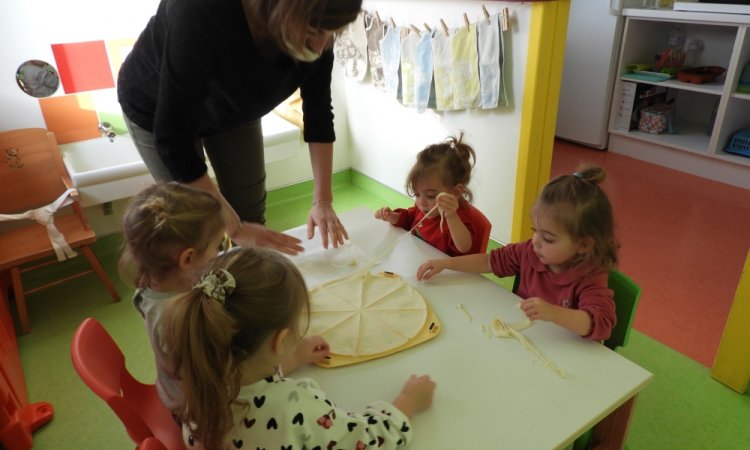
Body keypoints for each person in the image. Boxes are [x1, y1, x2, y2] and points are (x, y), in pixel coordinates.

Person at [117, 0, 361, 255]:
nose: (320, 46)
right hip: (156, 107)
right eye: (313, 32)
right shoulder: (198, 10)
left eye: (331, 33)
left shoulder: (317, 21)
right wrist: (233, 228)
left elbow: (318, 110)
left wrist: (323, 200)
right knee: (195, 226)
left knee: (251, 216)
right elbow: (174, 140)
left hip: (232, 109)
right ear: (280, 10)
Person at [160, 247, 436, 450]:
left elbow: (247, 378)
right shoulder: (293, 406)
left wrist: (294, 357)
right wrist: (407, 402)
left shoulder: (200, 376)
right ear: (280, 341)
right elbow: (359, 441)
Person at [118, 182, 324, 412]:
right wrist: (296, 356)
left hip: (173, 391)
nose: (220, 253)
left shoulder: (149, 285)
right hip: (200, 410)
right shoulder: (182, 322)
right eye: (217, 247)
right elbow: (233, 383)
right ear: (187, 259)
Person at [416, 166, 619, 341]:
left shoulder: (590, 275)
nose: (535, 242)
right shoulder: (530, 251)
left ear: (583, 245)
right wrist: (446, 264)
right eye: (535, 231)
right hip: (524, 339)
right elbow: (488, 261)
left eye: (548, 238)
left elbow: (600, 323)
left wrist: (552, 313)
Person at [375, 134, 488, 256]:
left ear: (456, 192)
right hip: (419, 260)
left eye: (430, 196)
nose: (421, 202)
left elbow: (464, 247)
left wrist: (451, 216)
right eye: (416, 194)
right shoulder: (423, 206)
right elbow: (410, 219)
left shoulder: (458, 216)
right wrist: (394, 217)